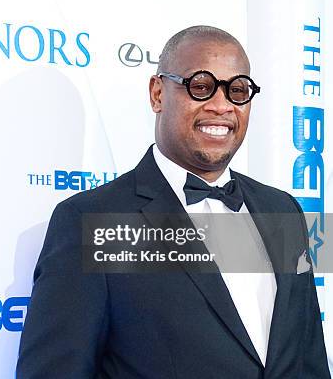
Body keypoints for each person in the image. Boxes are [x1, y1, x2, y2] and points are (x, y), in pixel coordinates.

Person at [16, 26, 329, 378]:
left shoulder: (283, 209)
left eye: (238, 90)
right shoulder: (90, 220)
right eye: (200, 86)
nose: (222, 105)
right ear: (157, 93)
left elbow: (310, 360)